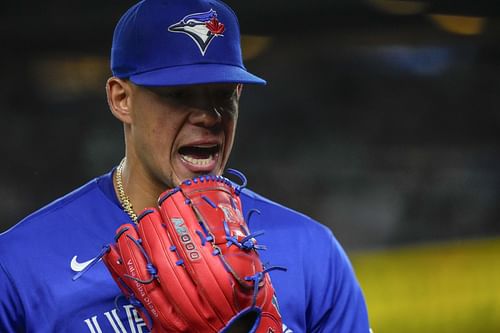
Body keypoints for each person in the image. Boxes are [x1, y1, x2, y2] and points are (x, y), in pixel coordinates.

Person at [0, 0, 370, 332]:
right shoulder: (19, 265)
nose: (209, 116)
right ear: (121, 99)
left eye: (222, 94)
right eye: (178, 95)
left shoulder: (312, 252)